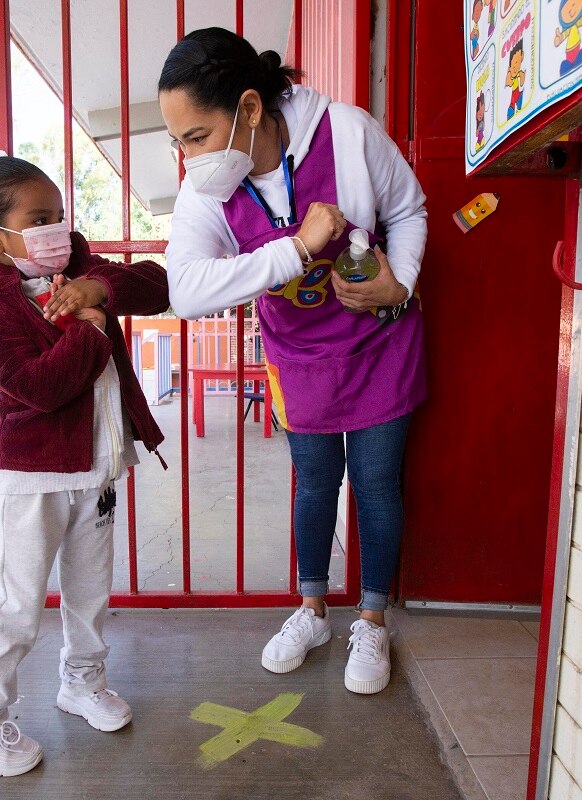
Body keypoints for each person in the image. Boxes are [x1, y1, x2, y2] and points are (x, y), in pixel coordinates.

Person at [158, 28, 428, 695]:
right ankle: (311, 611)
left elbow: (410, 210)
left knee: (375, 484)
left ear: (249, 109)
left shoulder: (349, 134)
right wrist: (299, 248)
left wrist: (403, 283)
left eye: (196, 136)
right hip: (299, 357)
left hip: (378, 343)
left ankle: (370, 619)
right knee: (313, 484)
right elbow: (185, 291)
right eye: (177, 142)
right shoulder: (208, 189)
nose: (188, 158)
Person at [0, 152, 170, 776]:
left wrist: (98, 290)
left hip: (97, 468)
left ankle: (82, 683)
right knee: (17, 605)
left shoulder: (79, 268)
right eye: (41, 218)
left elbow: (156, 285)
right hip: (36, 478)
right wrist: (95, 325)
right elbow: (43, 387)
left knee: (89, 593)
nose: (58, 229)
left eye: (60, 214)